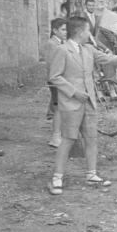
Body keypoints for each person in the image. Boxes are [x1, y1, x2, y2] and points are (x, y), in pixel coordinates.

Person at [47, 17, 117, 195]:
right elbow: (54, 77)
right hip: (71, 103)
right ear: (80, 32)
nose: (90, 34)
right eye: (88, 31)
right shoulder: (62, 50)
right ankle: (57, 177)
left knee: (91, 138)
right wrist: (73, 92)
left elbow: (108, 59)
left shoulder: (89, 49)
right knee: (68, 139)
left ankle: (91, 174)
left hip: (89, 102)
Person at [46, 18, 67, 148]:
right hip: (55, 81)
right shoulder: (51, 44)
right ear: (55, 30)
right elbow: (51, 65)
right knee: (58, 108)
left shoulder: (60, 43)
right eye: (63, 29)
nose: (66, 32)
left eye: (66, 29)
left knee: (60, 108)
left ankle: (59, 134)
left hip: (61, 80)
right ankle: (55, 136)